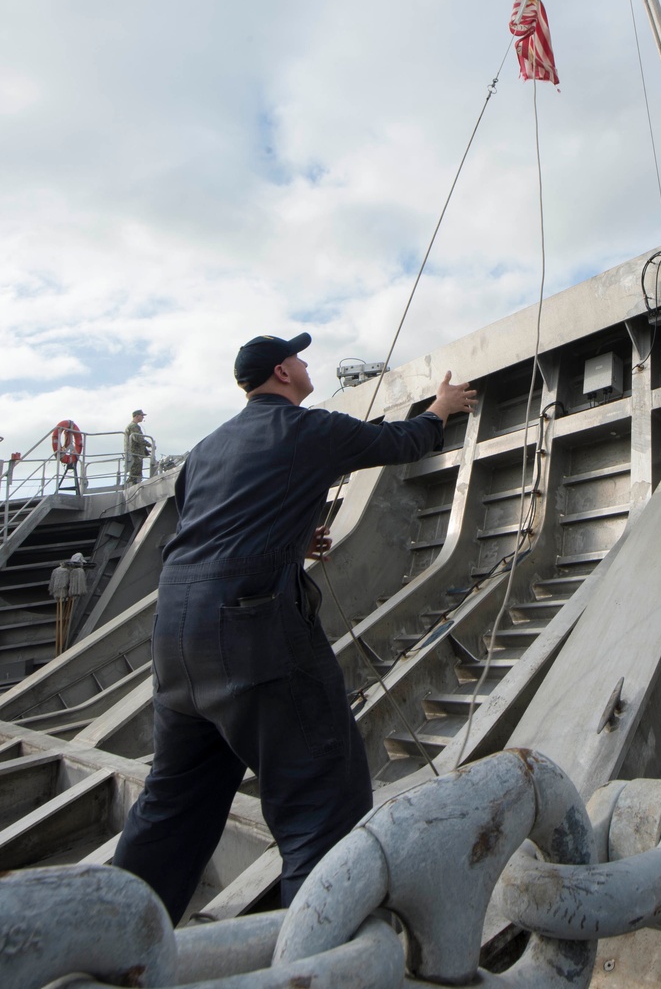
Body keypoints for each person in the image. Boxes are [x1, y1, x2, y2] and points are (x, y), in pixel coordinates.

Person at [113, 331, 475, 923]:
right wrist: (440, 408)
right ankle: (318, 954)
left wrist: (290, 537)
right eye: (300, 357)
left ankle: (107, 943)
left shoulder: (204, 448)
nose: (308, 364)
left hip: (174, 634)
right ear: (282, 372)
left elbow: (207, 523)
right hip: (252, 633)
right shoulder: (308, 429)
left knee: (173, 805)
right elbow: (401, 441)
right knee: (321, 802)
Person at [124, 409, 149, 485]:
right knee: (135, 474)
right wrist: (149, 444)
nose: (143, 418)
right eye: (142, 416)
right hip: (135, 454)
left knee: (135, 473)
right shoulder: (134, 426)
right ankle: (132, 486)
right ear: (137, 416)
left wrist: (145, 450)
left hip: (135, 452)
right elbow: (137, 438)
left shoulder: (133, 426)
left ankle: (133, 484)